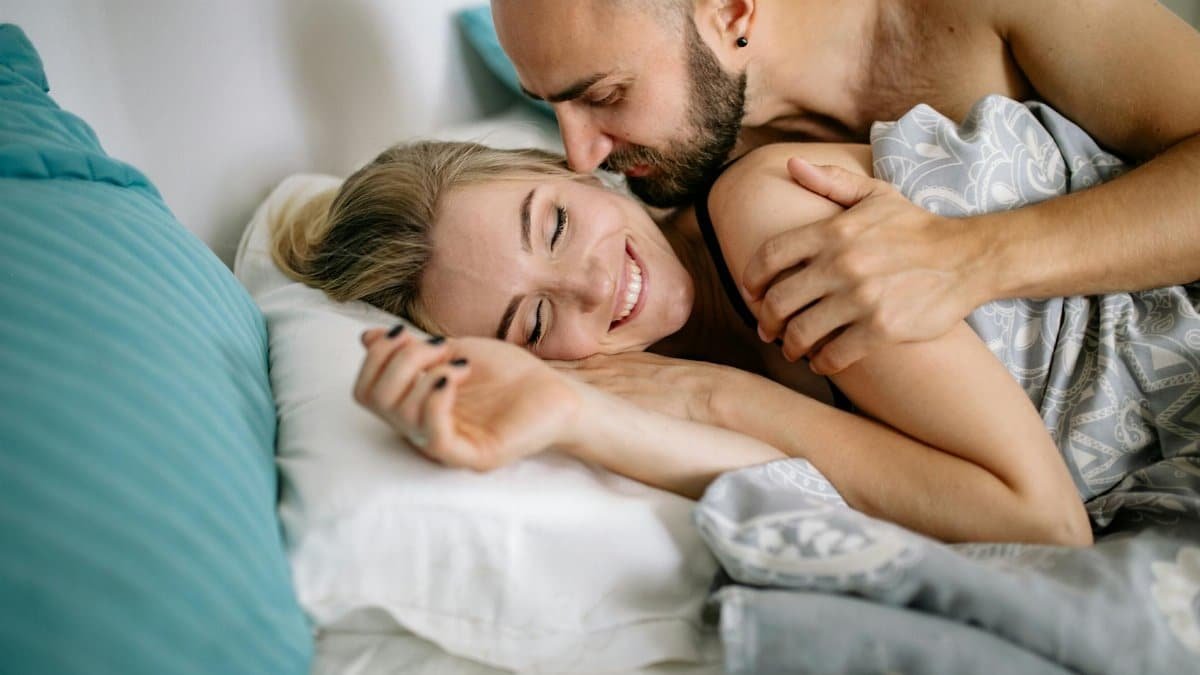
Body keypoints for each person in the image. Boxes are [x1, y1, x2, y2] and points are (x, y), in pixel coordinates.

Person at [270, 138, 1093, 547]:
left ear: (570, 168)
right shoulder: (654, 388)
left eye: (553, 225)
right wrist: (571, 413)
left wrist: (718, 396)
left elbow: (1045, 525)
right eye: (534, 322)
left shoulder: (765, 217)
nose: (592, 284)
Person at [489, 0, 1200, 374]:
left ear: (732, 12)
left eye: (604, 95)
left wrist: (971, 257)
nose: (579, 156)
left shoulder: (996, 9)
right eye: (552, 106)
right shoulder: (691, 176)